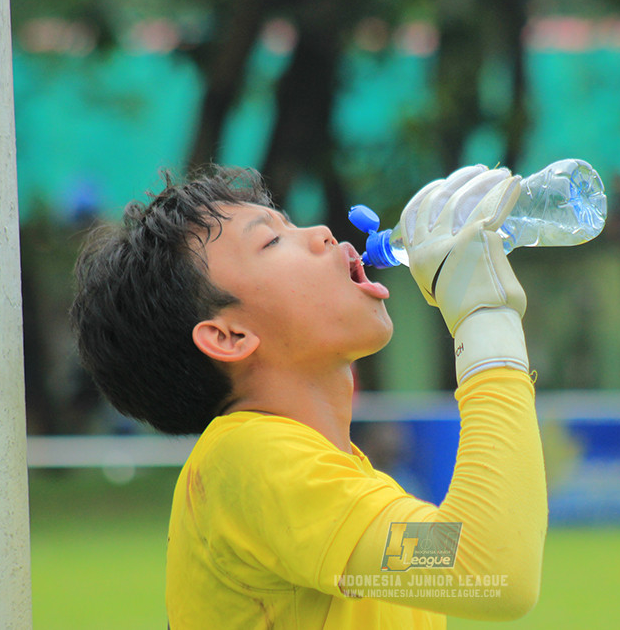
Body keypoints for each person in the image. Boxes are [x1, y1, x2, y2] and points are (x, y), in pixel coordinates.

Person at [70, 165, 548, 629]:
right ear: (229, 336)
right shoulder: (251, 460)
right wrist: (485, 315)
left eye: (291, 223)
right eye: (272, 240)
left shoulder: (328, 472)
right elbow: (488, 570)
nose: (321, 232)